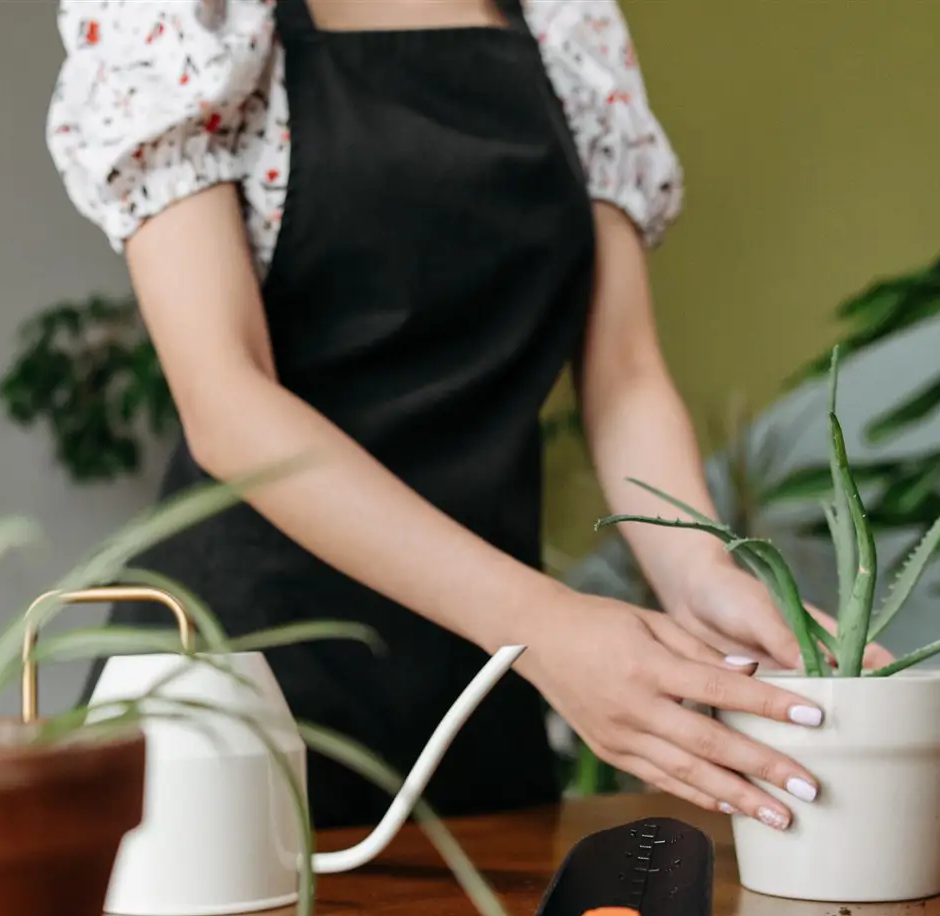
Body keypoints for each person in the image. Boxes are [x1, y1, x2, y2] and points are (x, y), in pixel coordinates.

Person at [47, 0, 881, 832]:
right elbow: (227, 402)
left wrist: (704, 574)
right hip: (244, 694)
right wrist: (541, 625)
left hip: (484, 695)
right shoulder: (191, 16)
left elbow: (622, 374)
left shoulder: (565, 19)